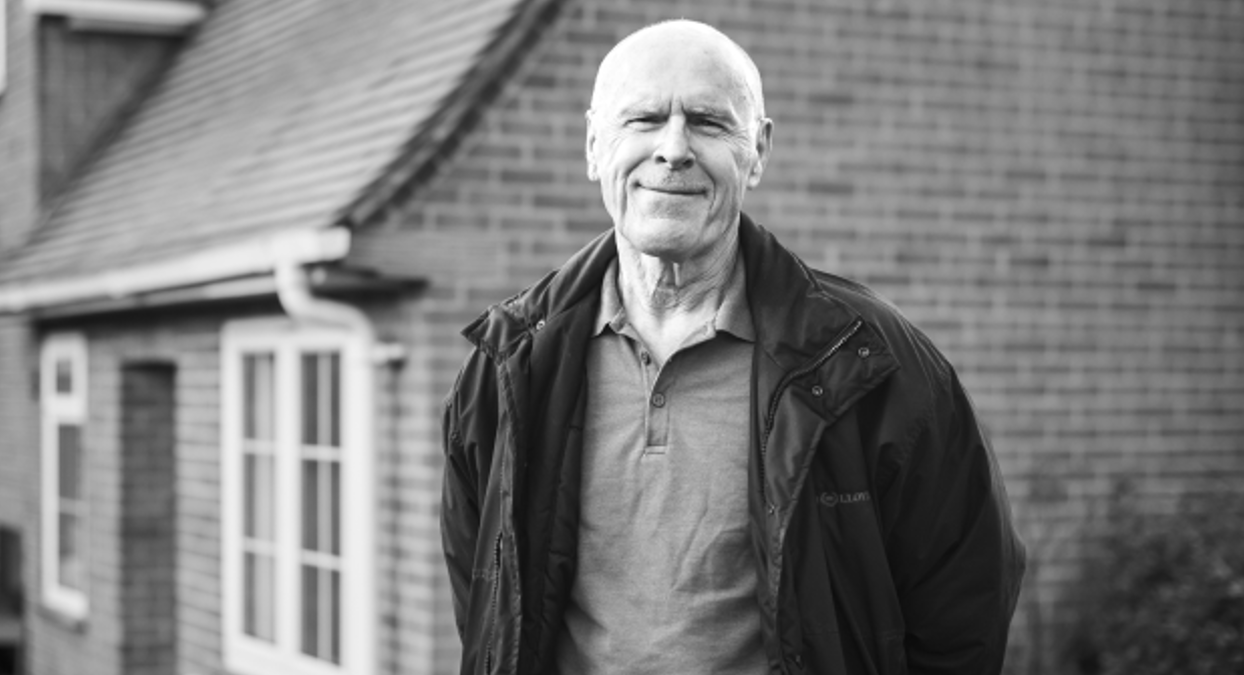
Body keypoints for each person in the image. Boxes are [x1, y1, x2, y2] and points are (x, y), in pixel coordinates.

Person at [440, 20, 1026, 675]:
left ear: (759, 151)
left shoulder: (869, 362)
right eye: (643, 118)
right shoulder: (506, 369)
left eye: (709, 122)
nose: (673, 148)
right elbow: (491, 611)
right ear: (593, 145)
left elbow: (965, 606)